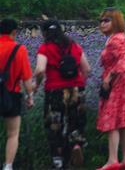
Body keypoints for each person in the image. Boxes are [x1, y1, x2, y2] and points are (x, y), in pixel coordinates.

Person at [33, 20, 89, 169]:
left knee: (55, 125)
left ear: (44, 33)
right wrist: (80, 84)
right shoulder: (74, 46)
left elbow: (40, 70)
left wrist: (36, 85)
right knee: (75, 121)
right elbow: (87, 69)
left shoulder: (45, 48)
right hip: (77, 89)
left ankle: (58, 160)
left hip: (55, 91)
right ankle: (76, 144)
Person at [96, 8, 125, 170]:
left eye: (107, 20)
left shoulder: (115, 40)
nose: (103, 24)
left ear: (116, 21)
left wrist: (109, 77)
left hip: (117, 83)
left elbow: (123, 62)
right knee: (122, 122)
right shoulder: (120, 38)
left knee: (112, 121)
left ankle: (113, 160)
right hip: (122, 81)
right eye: (101, 21)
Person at [0, 19, 33, 170]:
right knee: (13, 133)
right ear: (14, 32)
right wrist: (30, 96)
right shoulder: (19, 50)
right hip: (11, 95)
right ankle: (8, 166)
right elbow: (26, 78)